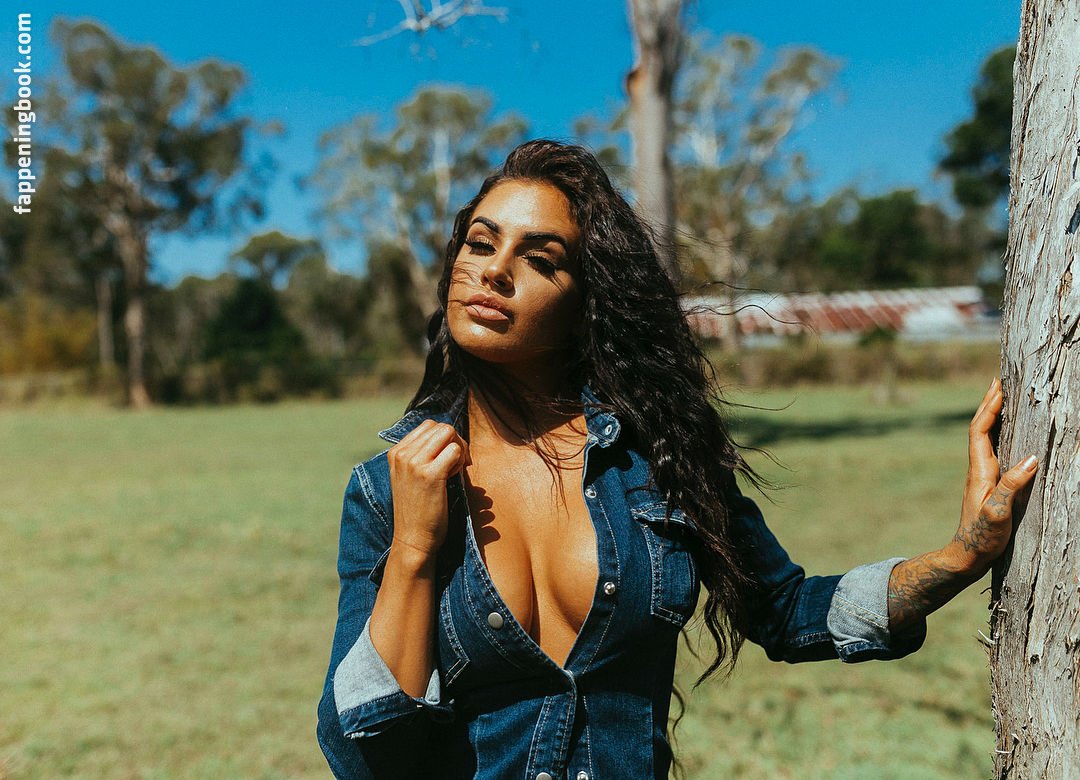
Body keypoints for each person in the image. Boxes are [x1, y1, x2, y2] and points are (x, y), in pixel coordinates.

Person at [315, 139, 1038, 779]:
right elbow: (364, 755)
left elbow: (786, 610)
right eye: (480, 244)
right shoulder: (387, 491)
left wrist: (960, 558)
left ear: (585, 304)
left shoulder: (657, 460)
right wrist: (414, 549)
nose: (494, 271)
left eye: (540, 259)